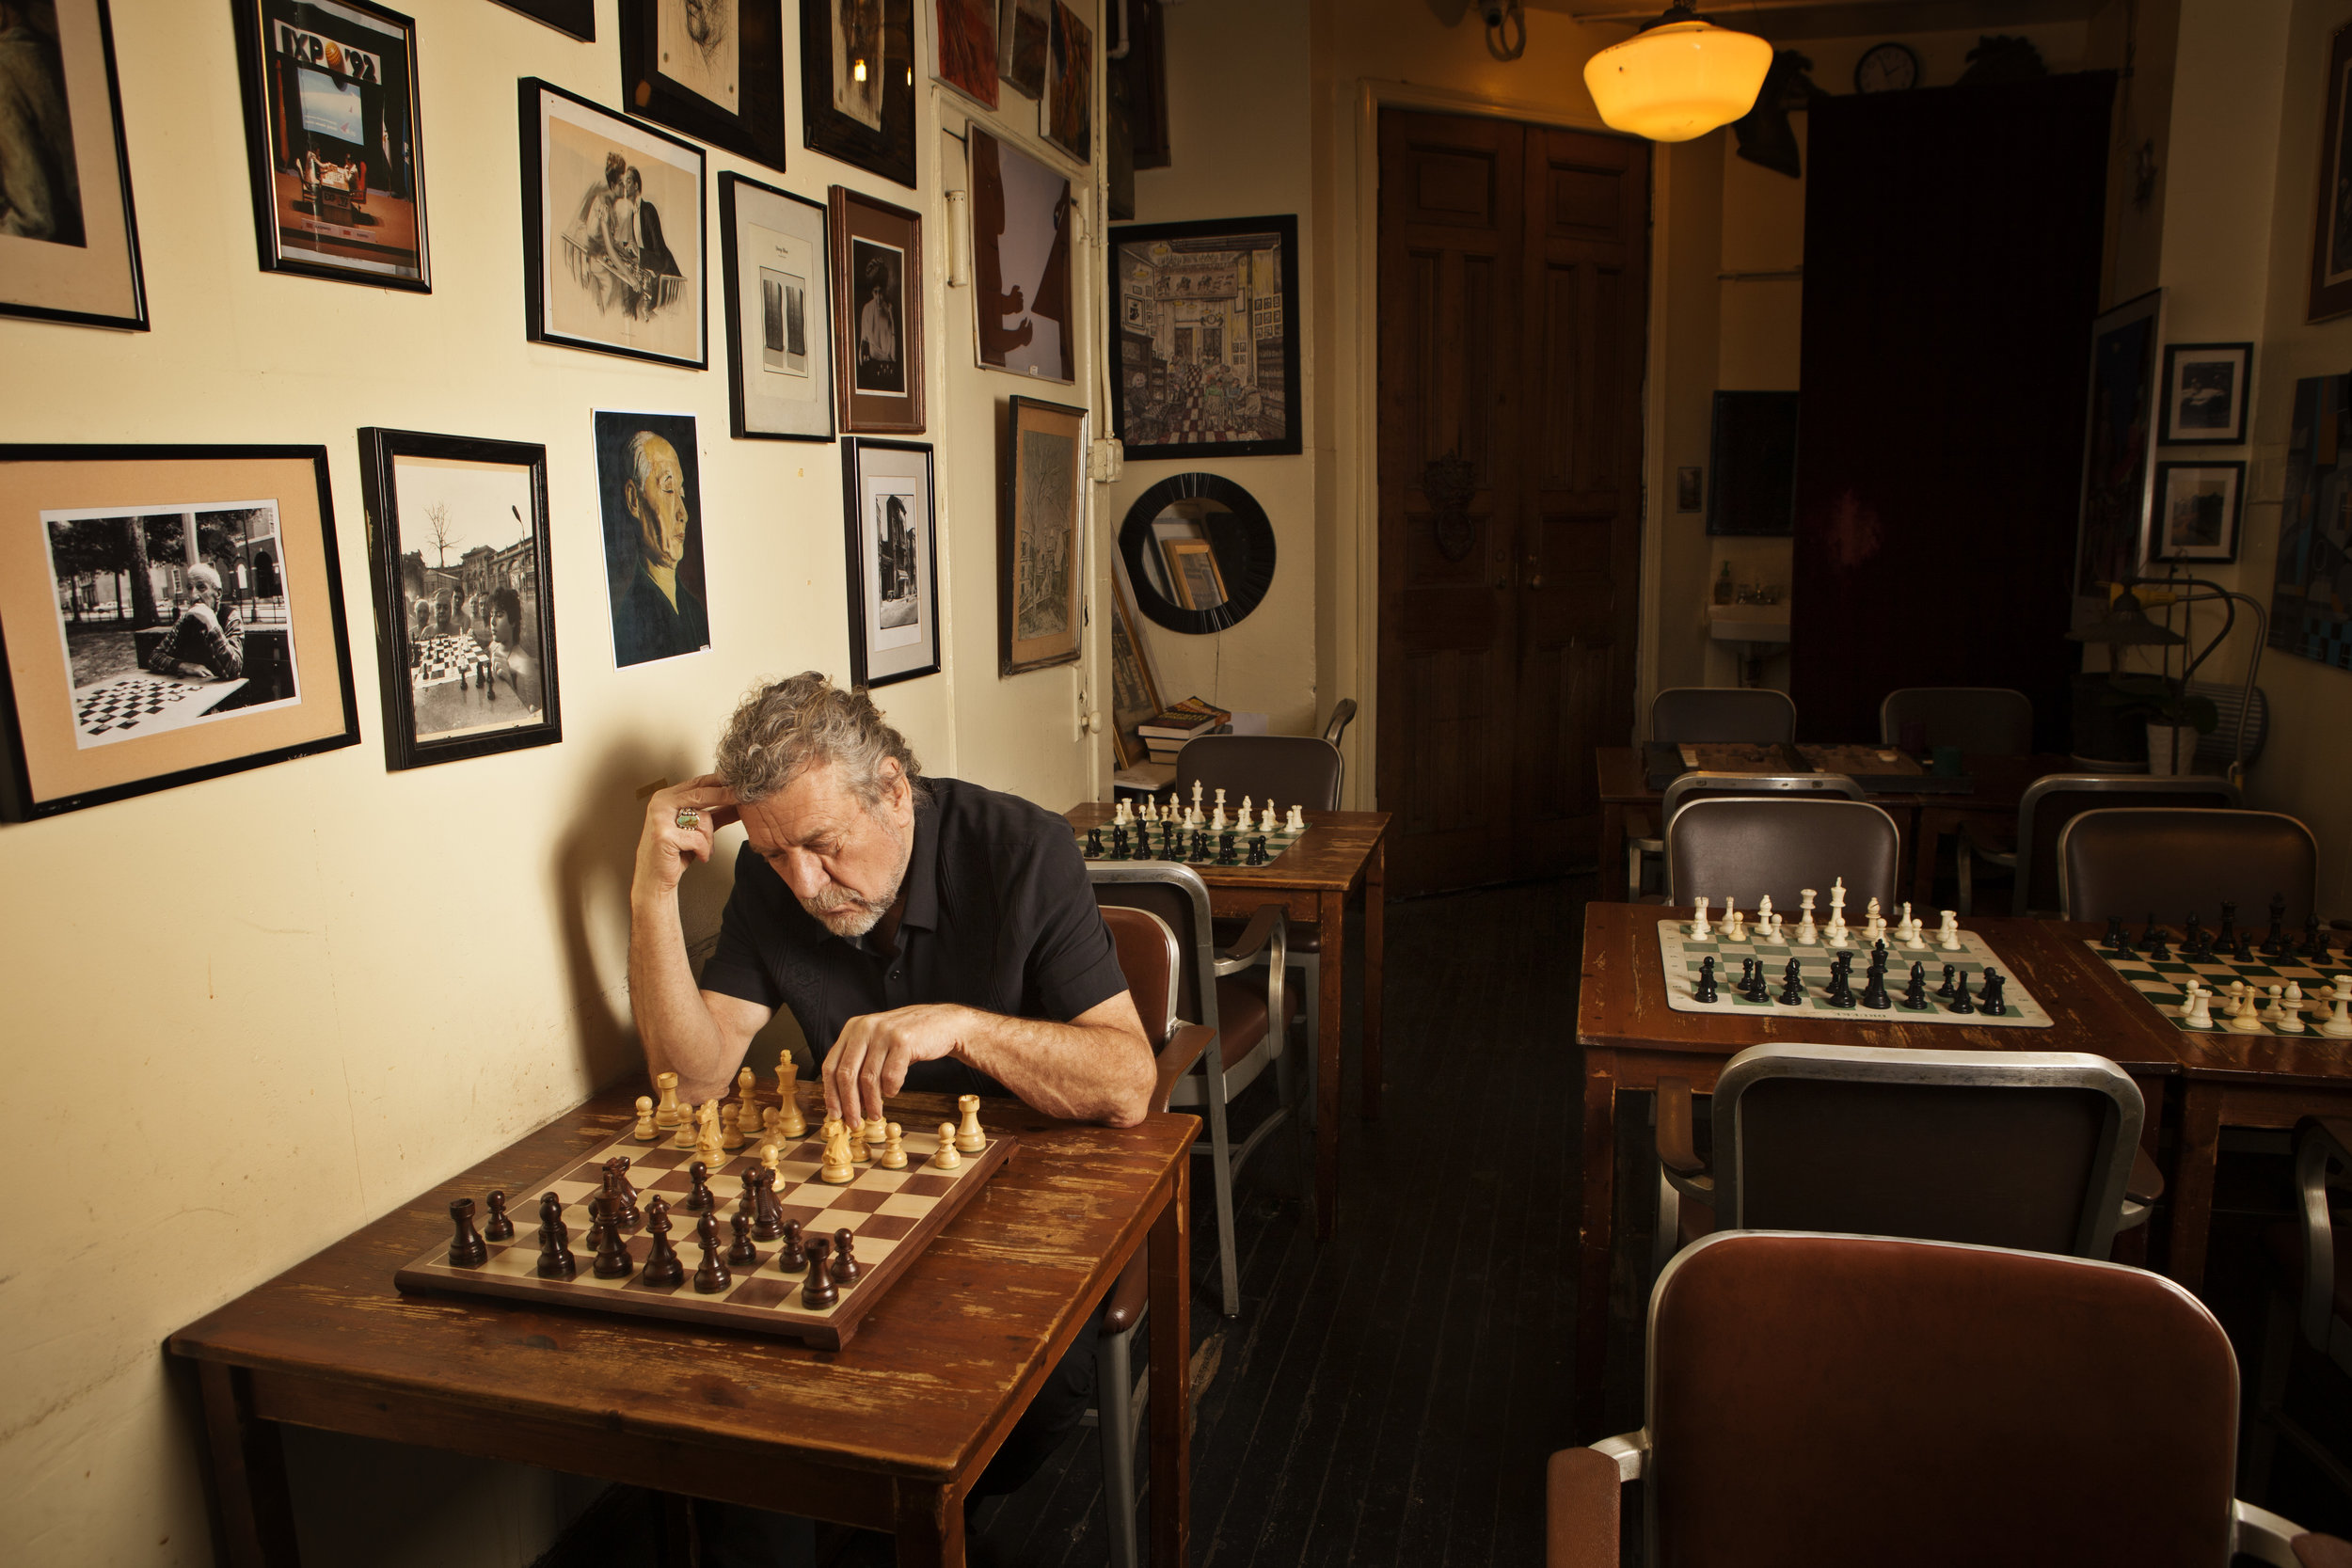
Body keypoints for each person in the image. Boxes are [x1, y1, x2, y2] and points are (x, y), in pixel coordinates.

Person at [631, 674, 1154, 1563]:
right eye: (773, 853)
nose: (802, 881)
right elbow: (691, 1082)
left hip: (1025, 1223)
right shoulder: (774, 877)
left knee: (1033, 1397)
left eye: (822, 845)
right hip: (863, 1214)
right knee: (734, 1413)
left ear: (894, 793)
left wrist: (961, 1023)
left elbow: (1129, 1078)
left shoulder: (1023, 849)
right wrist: (651, 896)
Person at [608, 429, 709, 665]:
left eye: (681, 493)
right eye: (668, 489)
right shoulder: (630, 625)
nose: (682, 513)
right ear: (634, 500)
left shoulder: (695, 611)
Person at [145, 563, 243, 681]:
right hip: (191, 688)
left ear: (218, 594)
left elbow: (233, 670)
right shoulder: (186, 619)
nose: (193, 595)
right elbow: (154, 658)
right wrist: (184, 666)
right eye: (190, 588)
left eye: (201, 587)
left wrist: (212, 624)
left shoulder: (231, 617)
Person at [487, 586, 541, 712]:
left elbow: (532, 714)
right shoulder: (493, 646)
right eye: (491, 615)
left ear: (513, 622)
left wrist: (511, 686)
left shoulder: (525, 665)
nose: (493, 622)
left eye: (499, 615)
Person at [857, 257, 898, 388]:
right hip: (872, 369)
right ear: (871, 292)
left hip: (889, 370)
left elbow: (894, 356)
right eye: (875, 292)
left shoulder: (890, 310)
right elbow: (863, 343)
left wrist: (892, 319)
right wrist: (861, 354)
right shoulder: (867, 310)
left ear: (885, 290)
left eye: (880, 292)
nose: (878, 297)